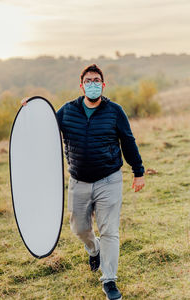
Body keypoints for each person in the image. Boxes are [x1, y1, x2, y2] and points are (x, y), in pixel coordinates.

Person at [21, 64, 145, 300]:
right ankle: (93, 248)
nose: (93, 84)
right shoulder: (67, 111)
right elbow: (43, 128)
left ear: (103, 84)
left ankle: (109, 280)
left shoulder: (114, 111)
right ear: (81, 85)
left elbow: (128, 142)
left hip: (109, 180)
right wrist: (30, 109)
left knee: (110, 230)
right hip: (78, 181)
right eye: (88, 80)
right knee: (79, 228)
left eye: (97, 80)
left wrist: (138, 171)